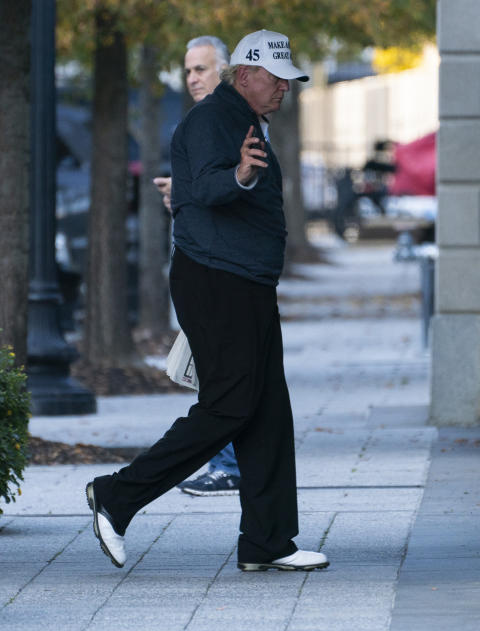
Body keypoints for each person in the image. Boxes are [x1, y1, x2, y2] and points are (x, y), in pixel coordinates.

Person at [86, 30, 327, 572]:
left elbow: (194, 190)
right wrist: (240, 174)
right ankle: (116, 496)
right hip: (219, 282)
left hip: (245, 283)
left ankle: (267, 542)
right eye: (275, 78)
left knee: (267, 414)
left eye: (289, 80)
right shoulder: (212, 120)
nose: (284, 88)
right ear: (245, 75)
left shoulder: (239, 120)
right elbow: (209, 184)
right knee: (229, 406)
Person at [153, 35, 244, 498]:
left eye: (201, 69)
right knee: (219, 368)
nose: (192, 78)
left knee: (218, 368)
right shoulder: (203, 122)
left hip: (219, 267)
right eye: (188, 70)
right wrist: (180, 197)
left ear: (225, 71)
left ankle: (226, 465)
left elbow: (236, 192)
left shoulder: (227, 121)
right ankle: (230, 463)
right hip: (204, 260)